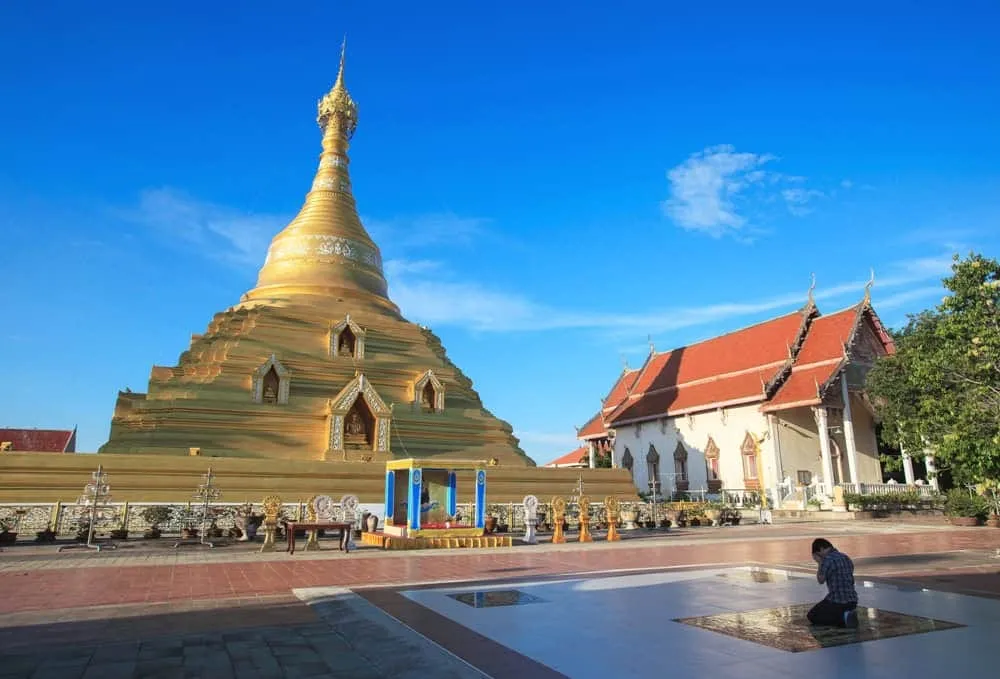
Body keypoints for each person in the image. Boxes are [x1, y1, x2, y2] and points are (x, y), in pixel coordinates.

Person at [808, 537, 859, 628]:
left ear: (821, 549)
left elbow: (820, 580)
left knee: (812, 616)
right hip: (853, 600)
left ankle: (843, 618)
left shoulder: (827, 560)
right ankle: (847, 613)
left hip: (837, 600)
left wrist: (819, 563)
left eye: (817, 554)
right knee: (825, 608)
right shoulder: (845, 557)